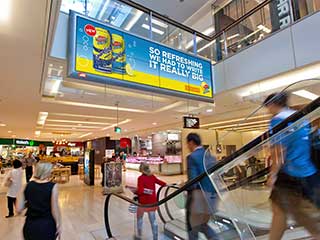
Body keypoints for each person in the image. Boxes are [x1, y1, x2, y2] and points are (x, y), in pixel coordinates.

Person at [263, 92, 320, 240]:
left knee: (295, 213)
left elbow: (279, 151)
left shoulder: (277, 121)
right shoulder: (301, 118)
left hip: (289, 173)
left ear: (272, 104)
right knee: (280, 210)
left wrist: (272, 175)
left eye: (268, 107)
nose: (268, 110)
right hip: (307, 170)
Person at [186, 133, 219, 240]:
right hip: (213, 196)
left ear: (191, 142)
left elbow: (193, 181)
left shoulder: (192, 157)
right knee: (203, 225)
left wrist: (184, 185)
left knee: (192, 226)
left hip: (199, 196)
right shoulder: (209, 155)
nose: (187, 146)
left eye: (187, 144)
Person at [17, 162, 61, 240]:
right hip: (47, 226)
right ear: (47, 172)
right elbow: (54, 209)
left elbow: (19, 209)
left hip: (30, 226)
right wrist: (58, 224)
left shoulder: (26, 186)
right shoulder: (52, 186)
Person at [136, 163, 166, 240]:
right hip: (152, 201)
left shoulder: (140, 178)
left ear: (141, 169)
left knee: (139, 218)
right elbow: (161, 183)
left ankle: (139, 235)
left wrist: (136, 190)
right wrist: (166, 184)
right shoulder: (152, 176)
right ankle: (155, 237)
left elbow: (140, 191)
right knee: (153, 220)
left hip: (143, 202)